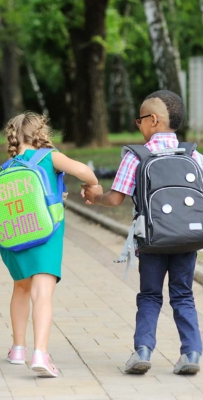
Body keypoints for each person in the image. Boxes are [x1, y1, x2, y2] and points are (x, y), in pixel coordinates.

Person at [0, 112, 98, 377]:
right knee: (42, 292)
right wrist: (93, 184)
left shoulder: (7, 168)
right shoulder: (50, 157)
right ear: (42, 133)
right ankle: (40, 353)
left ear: (13, 137)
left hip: (15, 239)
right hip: (46, 236)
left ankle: (18, 348)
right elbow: (83, 170)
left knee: (21, 288)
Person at [82, 90, 203, 375]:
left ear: (153, 120)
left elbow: (114, 199)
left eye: (139, 121)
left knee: (149, 296)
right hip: (188, 240)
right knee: (183, 295)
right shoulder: (194, 154)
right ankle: (192, 353)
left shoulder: (137, 156)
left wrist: (95, 196)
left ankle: (143, 351)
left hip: (152, 239)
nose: (139, 126)